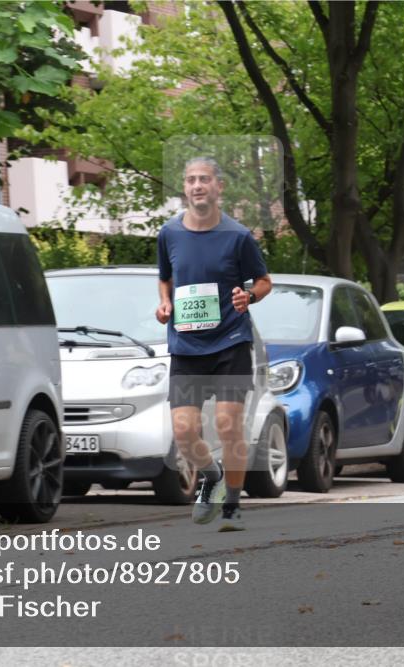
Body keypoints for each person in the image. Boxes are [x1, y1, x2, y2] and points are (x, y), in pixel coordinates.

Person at [155, 157, 272, 531]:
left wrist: (249, 297)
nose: (197, 185)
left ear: (218, 186)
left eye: (204, 178)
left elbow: (264, 281)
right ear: (184, 188)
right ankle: (211, 474)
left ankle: (233, 506)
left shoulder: (238, 236)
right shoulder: (168, 234)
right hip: (187, 347)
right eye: (190, 180)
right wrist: (165, 303)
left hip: (231, 343)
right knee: (185, 431)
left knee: (227, 423)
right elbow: (165, 278)